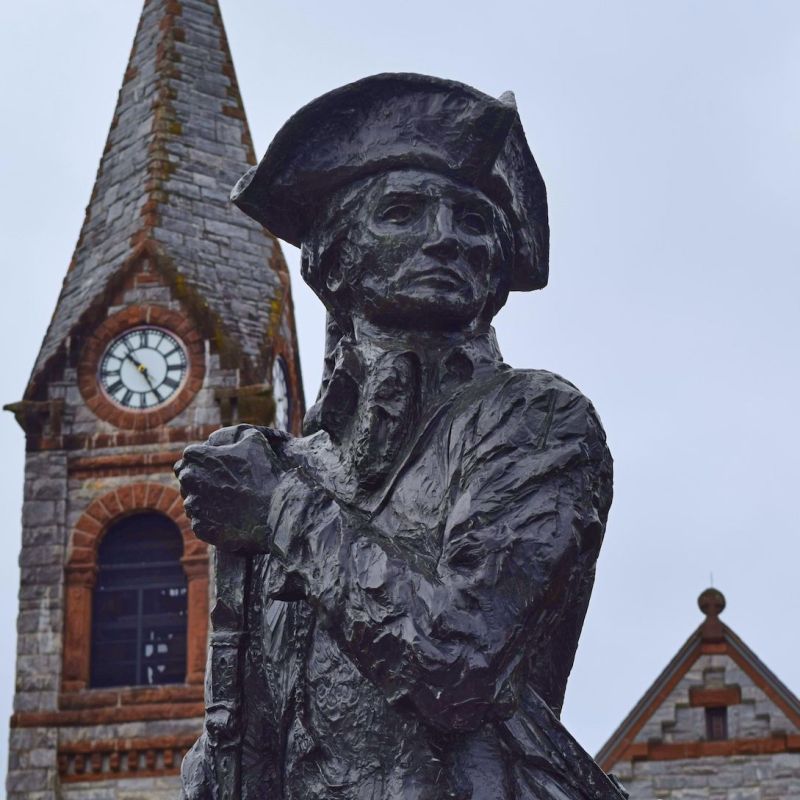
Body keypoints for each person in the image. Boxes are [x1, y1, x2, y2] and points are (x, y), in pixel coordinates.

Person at [176, 73, 626, 800]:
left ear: (494, 271)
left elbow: (459, 661)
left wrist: (282, 514)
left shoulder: (536, 420)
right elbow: (247, 740)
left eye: (475, 222)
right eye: (403, 212)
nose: (445, 238)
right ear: (332, 260)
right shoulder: (285, 471)